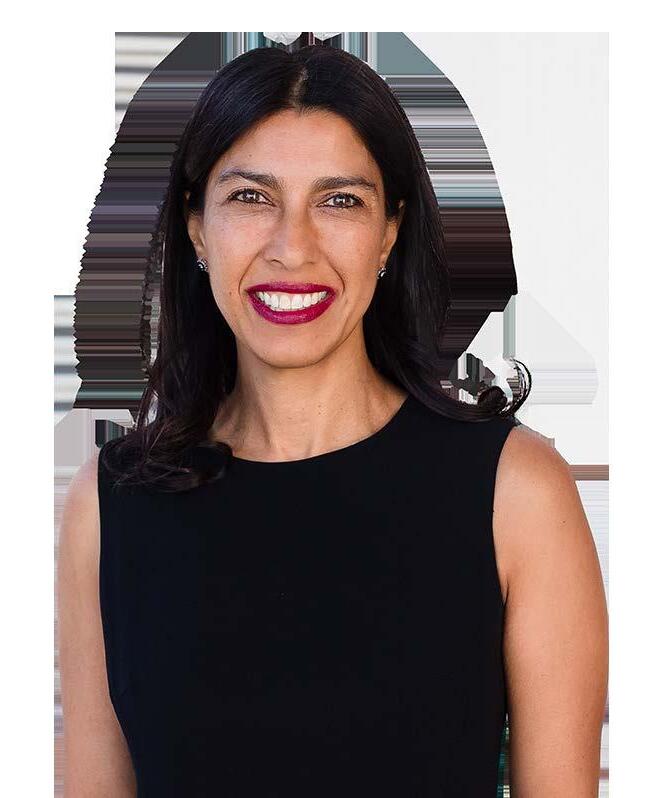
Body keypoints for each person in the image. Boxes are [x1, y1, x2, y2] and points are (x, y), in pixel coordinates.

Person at [57, 44, 608, 797]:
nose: (293, 248)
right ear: (196, 227)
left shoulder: (516, 492)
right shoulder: (110, 504)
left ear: (389, 231)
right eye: (251, 197)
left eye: (339, 201)